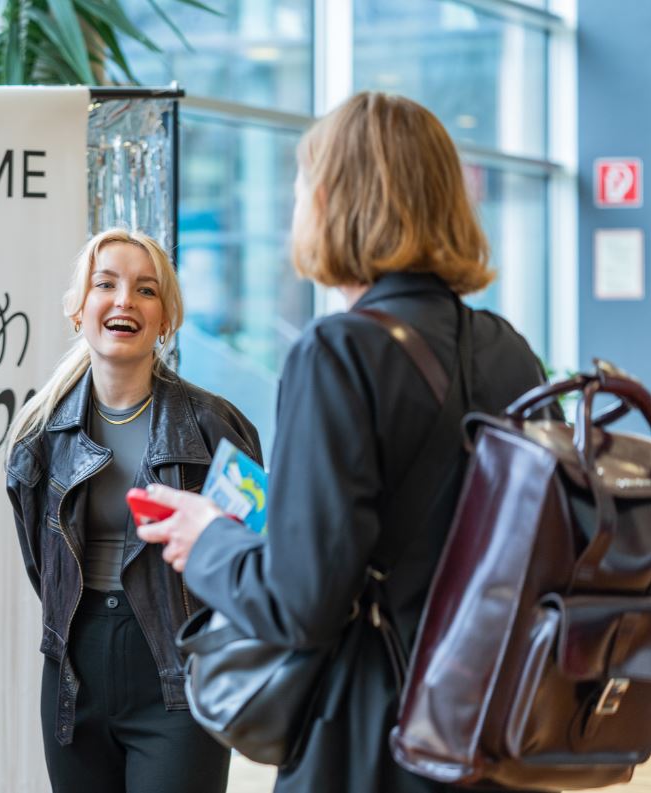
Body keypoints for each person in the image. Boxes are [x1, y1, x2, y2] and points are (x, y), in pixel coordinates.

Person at [136, 92, 557, 793]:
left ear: (330, 198)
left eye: (302, 187)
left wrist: (206, 539)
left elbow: (301, 601)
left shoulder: (336, 352)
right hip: (489, 726)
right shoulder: (507, 350)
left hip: (374, 739)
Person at [5, 228, 261, 793]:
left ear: (166, 316)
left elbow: (251, 558)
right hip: (73, 673)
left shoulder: (218, 426)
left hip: (181, 671)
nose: (124, 300)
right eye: (106, 284)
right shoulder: (38, 434)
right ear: (78, 310)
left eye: (145, 290)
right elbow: (39, 562)